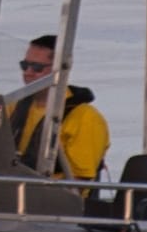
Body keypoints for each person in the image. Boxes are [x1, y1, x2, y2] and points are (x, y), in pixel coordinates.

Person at [9, 34, 110, 183]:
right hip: (10, 191)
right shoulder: (11, 107)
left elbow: (80, 182)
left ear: (60, 70)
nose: (28, 72)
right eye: (25, 65)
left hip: (58, 200)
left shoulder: (85, 118)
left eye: (37, 67)